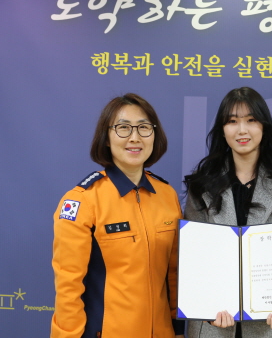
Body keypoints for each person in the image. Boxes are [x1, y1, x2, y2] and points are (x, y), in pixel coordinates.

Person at [184, 87, 272, 338]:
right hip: (214, 322)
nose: (242, 130)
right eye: (232, 121)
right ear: (222, 129)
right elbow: (195, 252)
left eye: (251, 120)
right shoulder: (203, 181)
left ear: (264, 126)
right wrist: (207, 305)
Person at [51, 93, 184, 338]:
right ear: (106, 137)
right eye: (123, 128)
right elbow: (68, 285)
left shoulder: (167, 195)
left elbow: (174, 274)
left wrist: (178, 329)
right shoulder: (83, 200)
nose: (135, 137)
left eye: (144, 127)